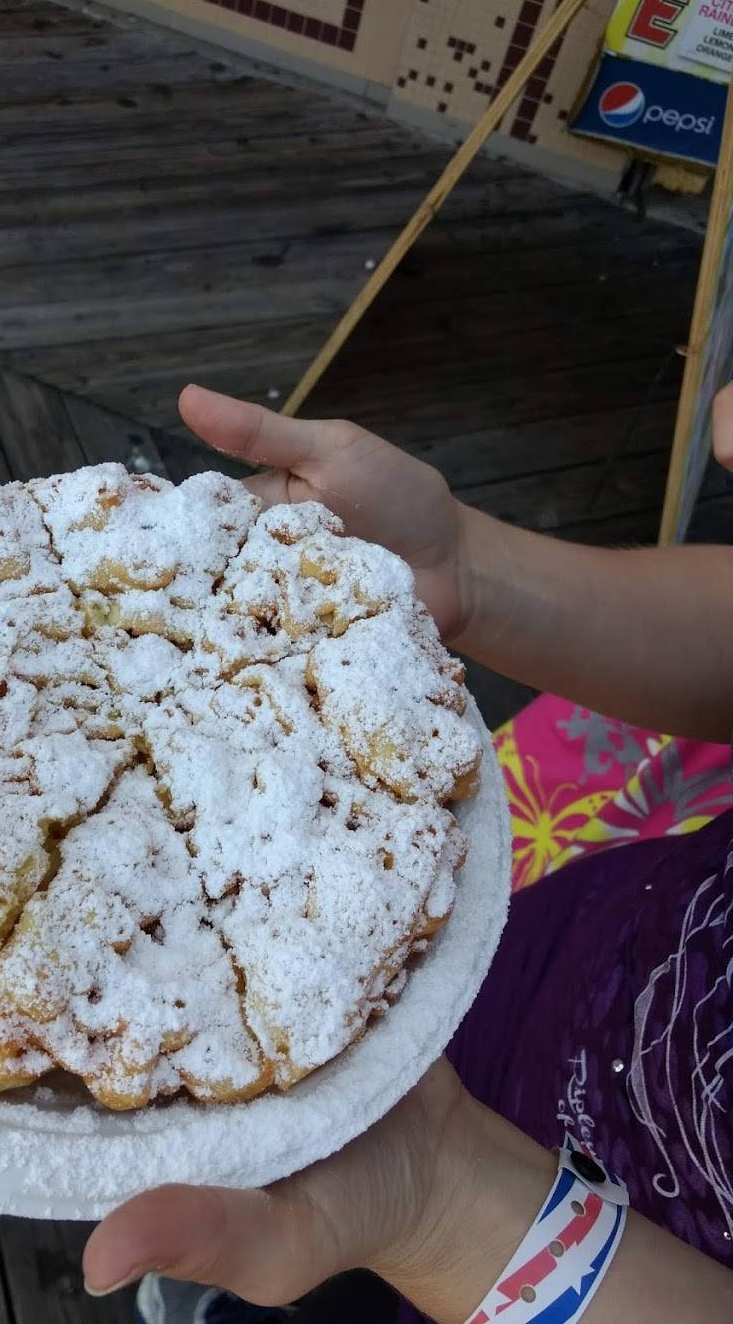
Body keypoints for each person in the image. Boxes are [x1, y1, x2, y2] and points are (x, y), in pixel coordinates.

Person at [81, 382, 733, 1323]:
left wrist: (435, 1201)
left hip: (532, 1266)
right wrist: (468, 567)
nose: (723, 420)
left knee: (335, 1282)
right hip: (567, 966)